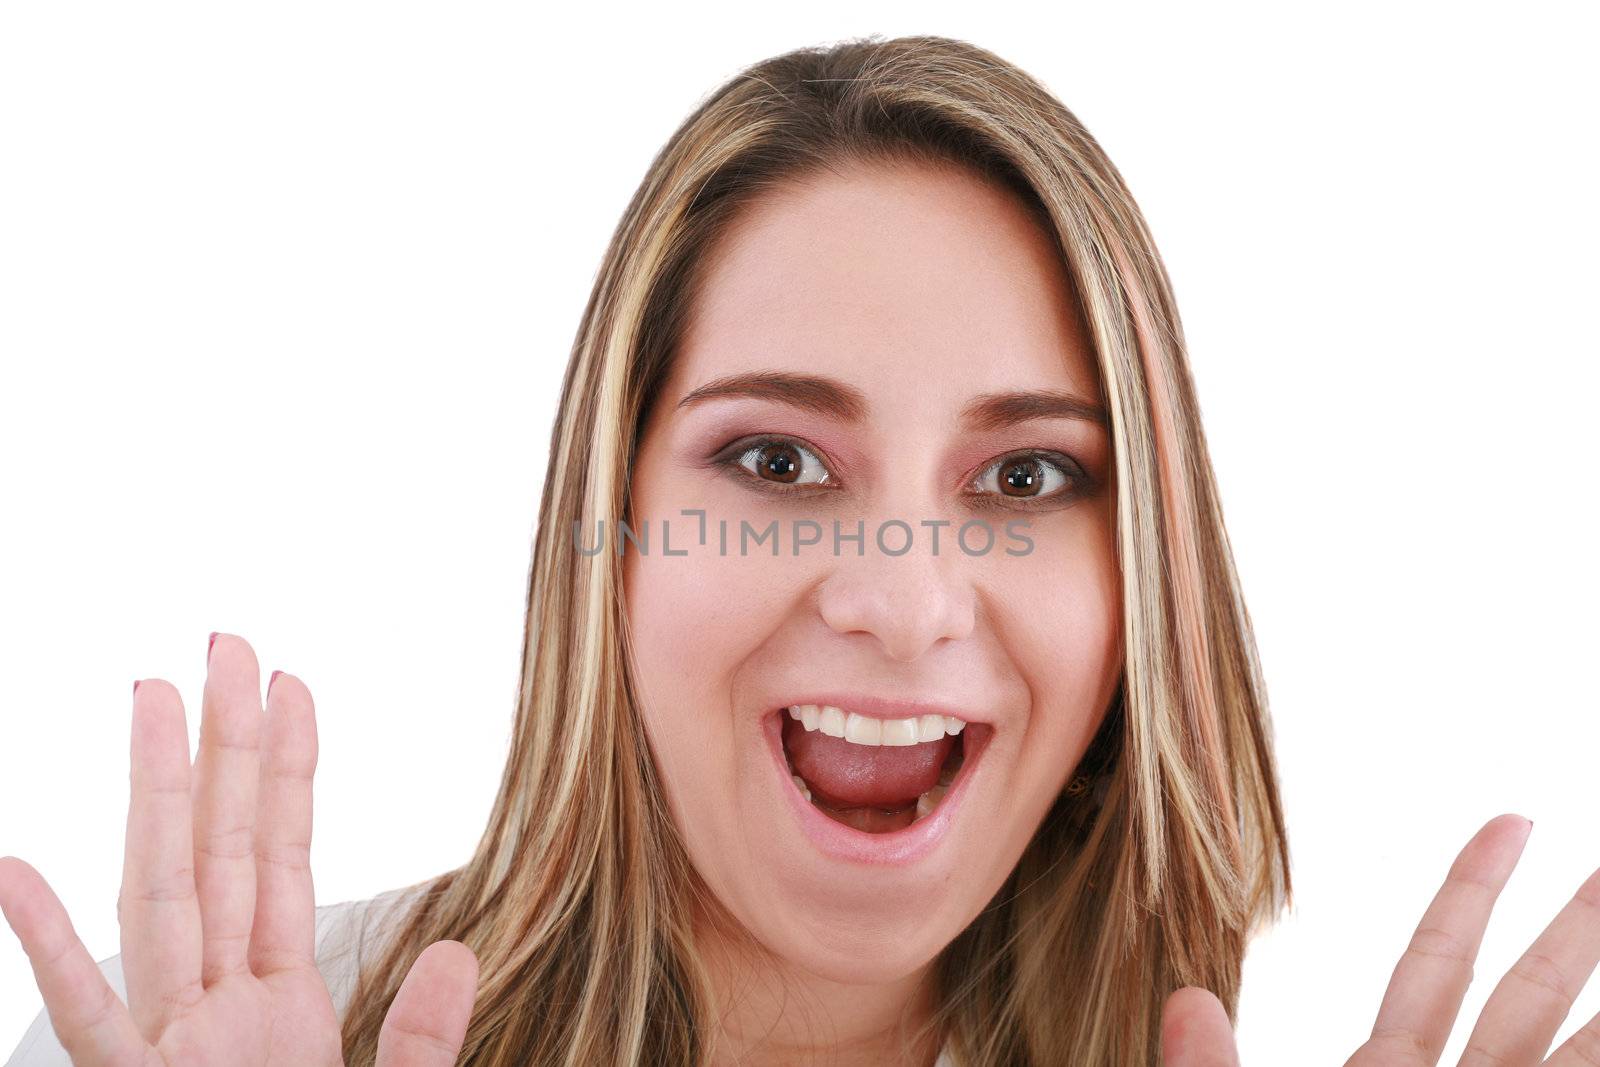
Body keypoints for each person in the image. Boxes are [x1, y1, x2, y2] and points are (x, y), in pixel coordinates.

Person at [4, 32, 1597, 1067]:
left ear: (1145, 589)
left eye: (1033, 474)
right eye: (774, 461)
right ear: (609, 542)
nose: (901, 603)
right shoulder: (234, 1046)